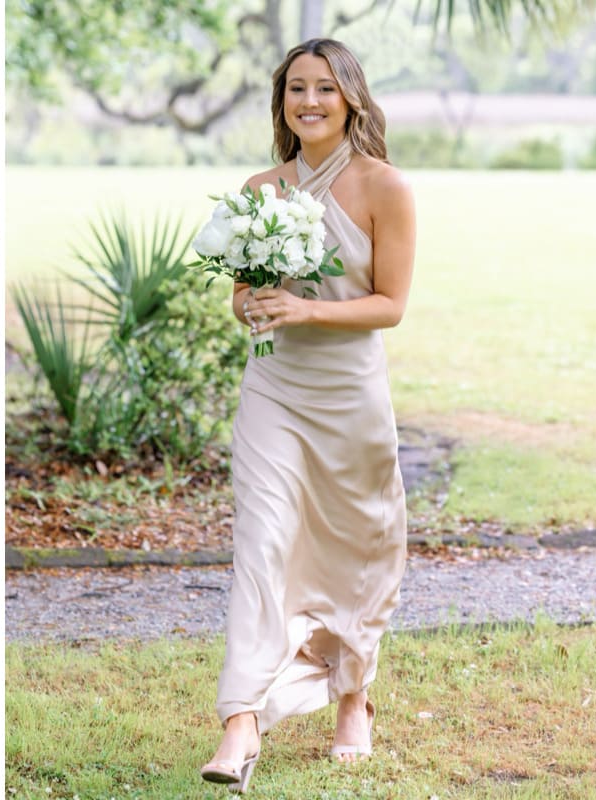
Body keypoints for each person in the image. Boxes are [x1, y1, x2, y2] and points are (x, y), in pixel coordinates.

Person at [198, 39, 415, 792]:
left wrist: (306, 309)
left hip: (352, 397)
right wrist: (253, 304)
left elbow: (391, 305)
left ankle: (352, 697)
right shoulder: (260, 188)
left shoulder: (385, 187)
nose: (310, 101)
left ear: (351, 96)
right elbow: (241, 298)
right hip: (275, 392)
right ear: (281, 101)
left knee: (357, 545)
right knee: (260, 545)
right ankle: (240, 722)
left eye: (326, 88)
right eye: (297, 88)